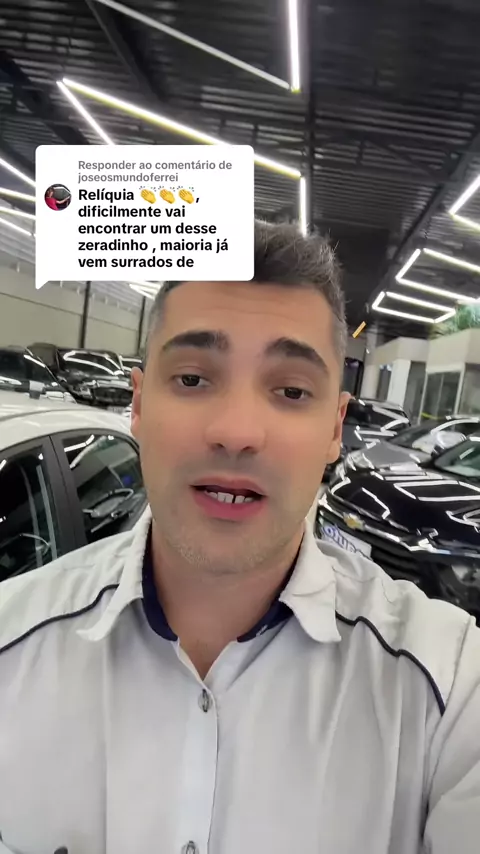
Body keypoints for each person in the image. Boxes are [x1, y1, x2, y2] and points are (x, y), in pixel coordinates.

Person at [0, 221, 479, 854]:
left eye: (291, 390)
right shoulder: (11, 642)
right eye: (193, 380)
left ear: (335, 428)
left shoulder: (449, 690)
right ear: (138, 404)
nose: (236, 431)